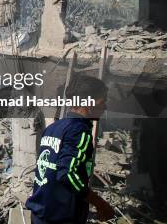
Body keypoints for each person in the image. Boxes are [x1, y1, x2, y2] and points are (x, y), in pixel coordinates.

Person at [26, 75, 115, 224]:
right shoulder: (79, 131)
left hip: (40, 214)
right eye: (103, 100)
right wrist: (100, 203)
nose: (105, 106)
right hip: (60, 217)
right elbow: (67, 174)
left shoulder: (54, 128)